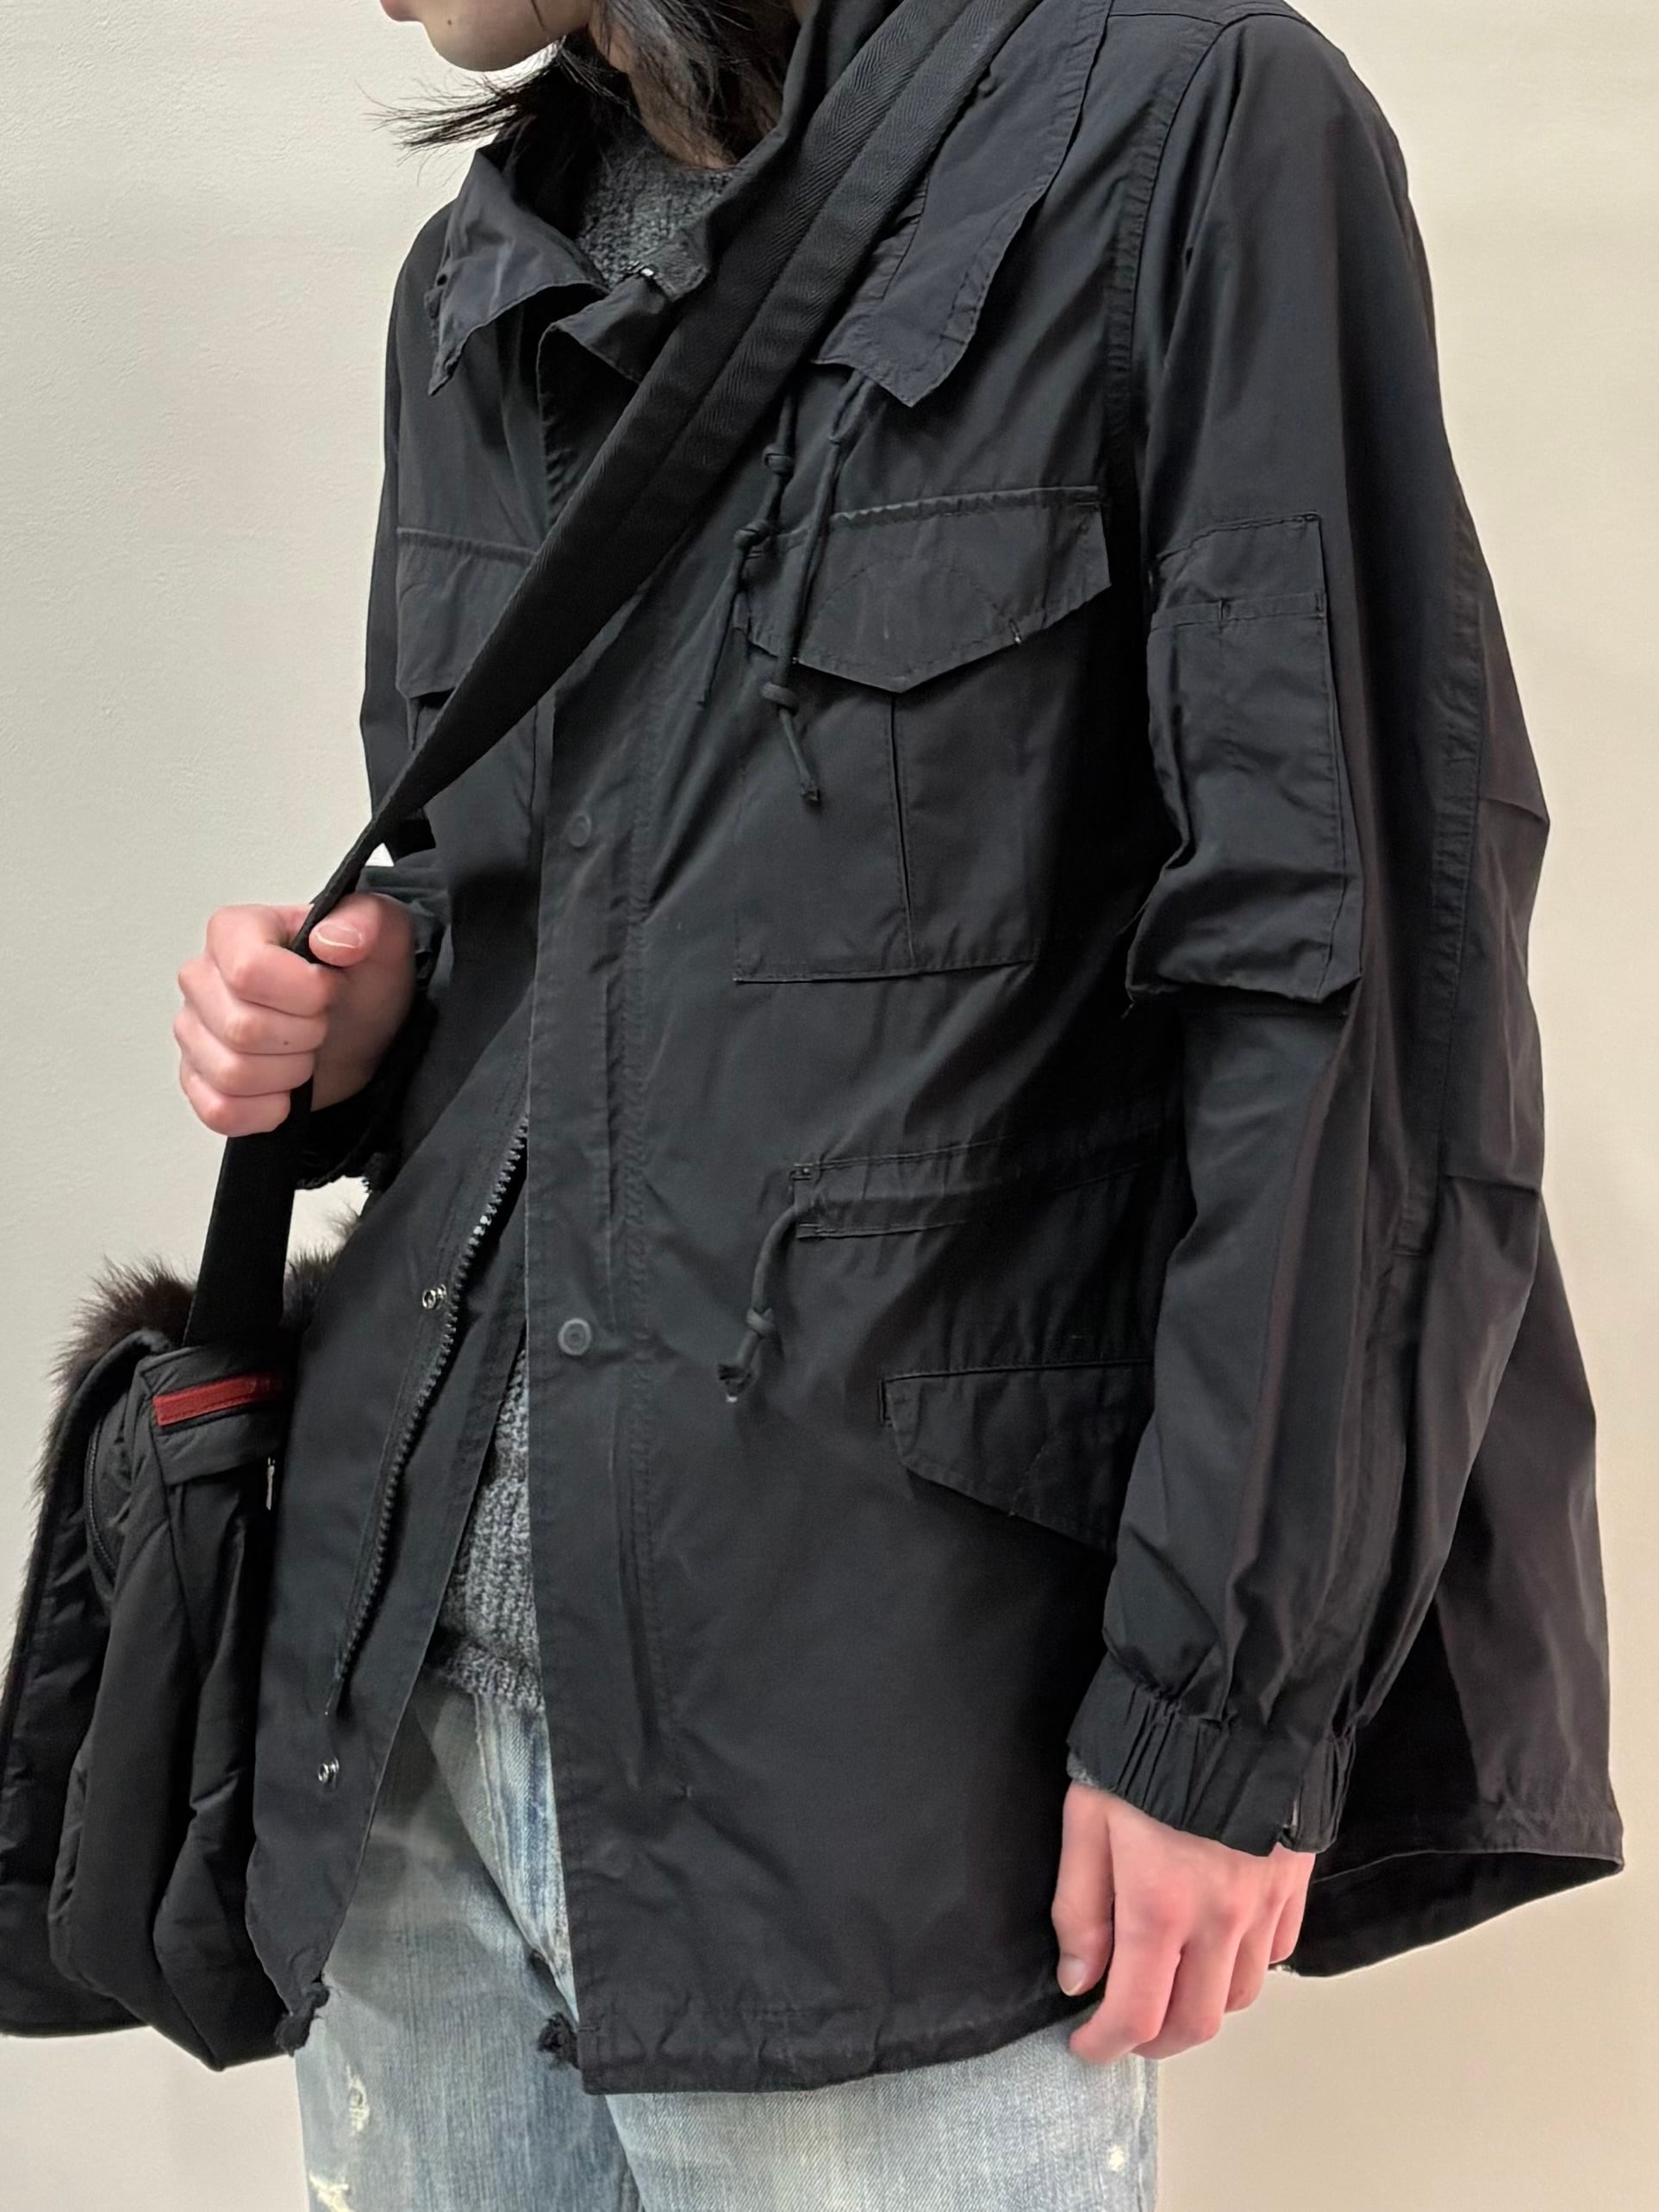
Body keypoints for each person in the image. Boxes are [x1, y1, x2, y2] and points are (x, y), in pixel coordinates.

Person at [172, 0, 1621, 2204]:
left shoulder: (1185, 125)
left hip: (872, 1786)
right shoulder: (482, 264)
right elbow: (571, 924)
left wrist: (1218, 1706)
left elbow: (1348, 979)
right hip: (406, 1754)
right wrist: (380, 1021)